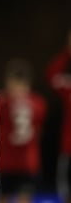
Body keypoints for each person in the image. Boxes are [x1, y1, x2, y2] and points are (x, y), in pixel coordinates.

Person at [0, 59, 47, 203]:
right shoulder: (38, 103)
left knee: (4, 198)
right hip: (29, 162)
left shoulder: (0, 102)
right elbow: (39, 130)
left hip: (7, 162)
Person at [46, 27, 71, 203]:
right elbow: (52, 74)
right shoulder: (68, 86)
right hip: (68, 148)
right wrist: (67, 52)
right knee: (66, 191)